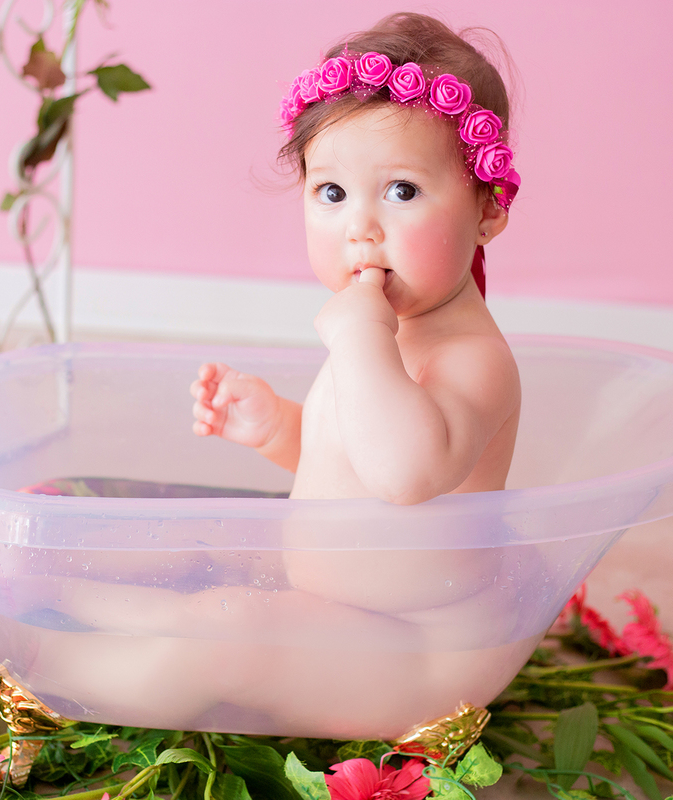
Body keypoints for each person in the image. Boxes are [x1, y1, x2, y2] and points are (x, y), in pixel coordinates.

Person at [191, 13, 523, 613]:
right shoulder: (376, 332)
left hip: (407, 638)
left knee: (216, 622)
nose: (360, 229)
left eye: (402, 191)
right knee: (201, 577)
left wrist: (360, 337)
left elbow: (405, 476)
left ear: (488, 211)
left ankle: (66, 658)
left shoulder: (473, 359)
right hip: (332, 611)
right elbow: (352, 467)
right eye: (332, 194)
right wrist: (279, 430)